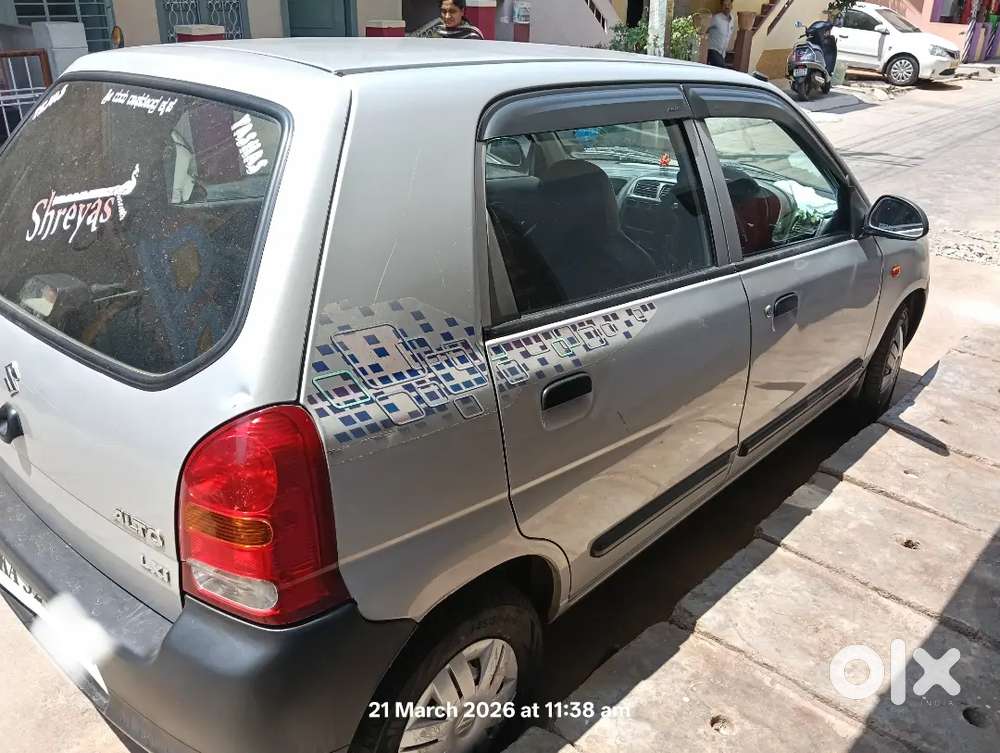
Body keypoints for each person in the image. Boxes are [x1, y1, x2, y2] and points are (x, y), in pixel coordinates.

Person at [707, 0, 736, 67]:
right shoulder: (716, 18)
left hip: (722, 53)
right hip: (713, 50)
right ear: (721, 7)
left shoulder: (732, 19)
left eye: (728, 4)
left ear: (732, 6)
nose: (727, 7)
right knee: (722, 68)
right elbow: (705, 28)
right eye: (724, 5)